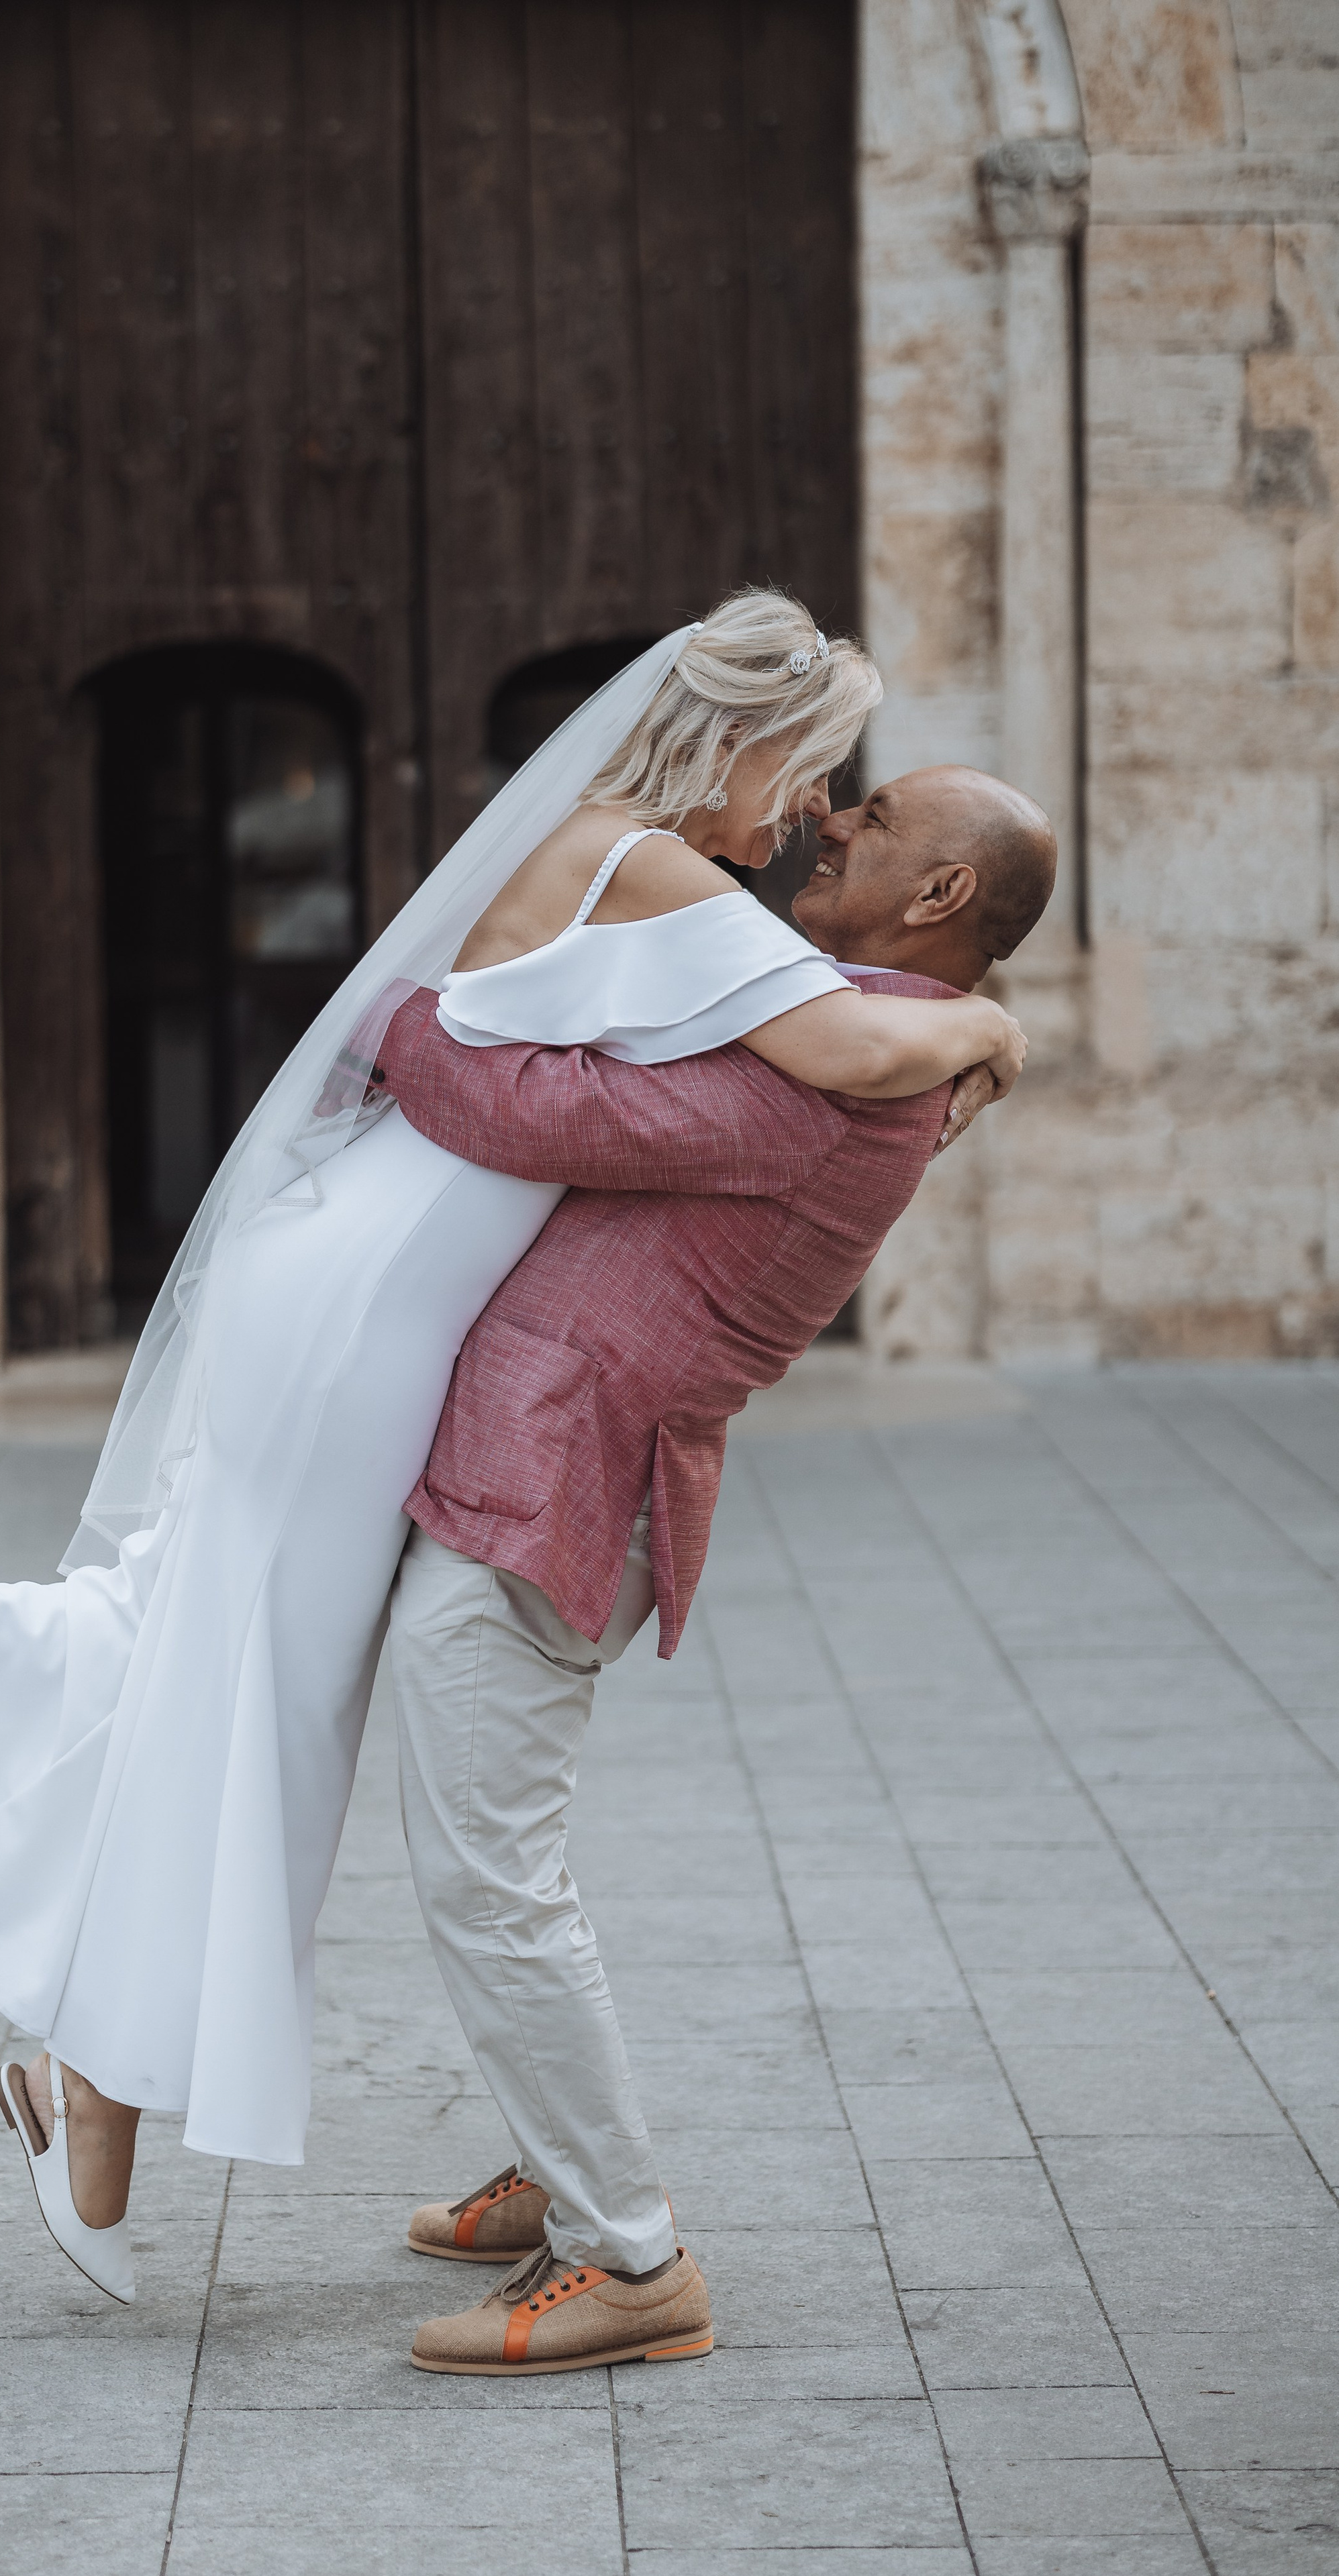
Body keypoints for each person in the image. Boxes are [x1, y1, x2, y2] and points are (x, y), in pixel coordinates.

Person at [0, 597, 1024, 2313]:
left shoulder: (598, 848)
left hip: (349, 1283)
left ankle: (74, 2044)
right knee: (255, 1708)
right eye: (813, 770)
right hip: (374, 1310)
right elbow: (842, 1046)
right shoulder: (658, 878)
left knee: (205, 1661)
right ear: (736, 739)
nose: (807, 812)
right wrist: (989, 1030)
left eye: (848, 795)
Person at [367, 763, 1057, 2374]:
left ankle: (628, 2261)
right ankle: (559, 2166)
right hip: (537, 1472)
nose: (828, 823)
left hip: (554, 1485)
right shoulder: (858, 1035)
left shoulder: (849, 1071)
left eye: (873, 823)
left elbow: (515, 1102)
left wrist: (387, 991)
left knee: (491, 1877)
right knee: (497, 1863)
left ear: (940, 898)